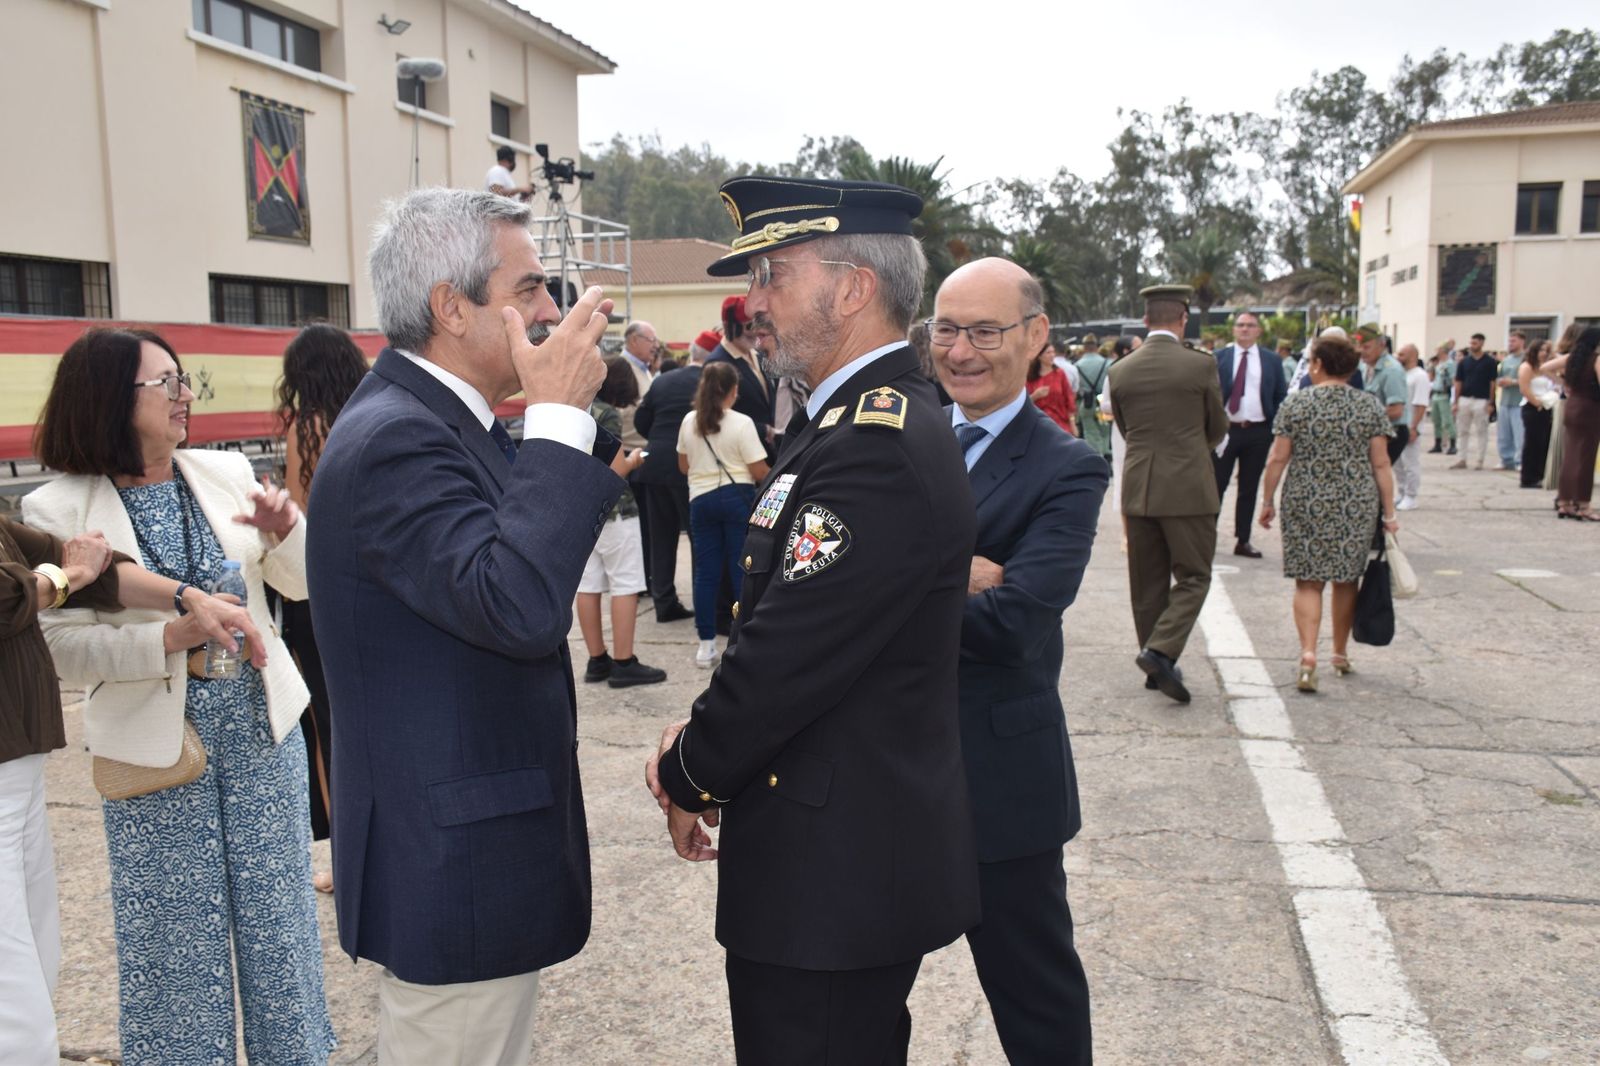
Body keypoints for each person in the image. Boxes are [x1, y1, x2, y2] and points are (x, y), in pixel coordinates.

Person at [646, 175, 981, 1065]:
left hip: (834, 879)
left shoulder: (873, 444)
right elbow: (791, 626)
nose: (755, 304)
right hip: (822, 855)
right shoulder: (839, 424)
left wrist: (687, 768)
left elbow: (789, 658)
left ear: (852, 288)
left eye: (774, 276)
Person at [306, 188, 623, 1065]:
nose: (551, 311)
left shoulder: (441, 422)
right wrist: (559, 416)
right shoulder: (398, 440)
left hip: (468, 849)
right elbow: (516, 604)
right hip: (451, 861)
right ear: (451, 307)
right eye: (527, 290)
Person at [22, 328, 334, 1066]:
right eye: (167, 384)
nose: (186, 394)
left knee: (280, 929)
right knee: (173, 946)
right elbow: (59, 646)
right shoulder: (54, 509)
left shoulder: (224, 472)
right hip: (154, 755)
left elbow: (301, 585)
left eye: (182, 380)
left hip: (262, 735)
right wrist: (167, 640)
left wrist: (289, 531)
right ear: (109, 399)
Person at [2, 518, 267, 1065]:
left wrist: (188, 596)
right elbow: (20, 591)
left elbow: (97, 572)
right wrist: (69, 572)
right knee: (11, 973)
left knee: (34, 940)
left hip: (19, 758)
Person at [930, 258, 1106, 1065]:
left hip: (1000, 781)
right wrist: (948, 570)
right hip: (882, 769)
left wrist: (881, 578)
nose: (961, 351)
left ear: (1036, 339)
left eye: (985, 331)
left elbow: (1015, 622)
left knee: (1036, 1004)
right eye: (945, 329)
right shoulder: (896, 437)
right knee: (850, 999)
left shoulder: (1067, 466)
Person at [276, 321, 369, 889]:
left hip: (317, 588)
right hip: (373, 582)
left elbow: (297, 512)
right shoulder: (372, 415)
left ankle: (346, 854)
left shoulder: (307, 429)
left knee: (326, 723)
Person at [1108, 284, 1229, 704]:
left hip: (1139, 485)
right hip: (1188, 487)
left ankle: (1153, 662)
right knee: (1194, 575)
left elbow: (1124, 428)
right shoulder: (1200, 365)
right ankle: (1161, 651)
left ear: (1145, 320)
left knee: (1147, 582)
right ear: (1183, 319)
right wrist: (1193, 448)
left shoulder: (1120, 370)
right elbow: (1216, 425)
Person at [1258, 333, 1398, 693]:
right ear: (1352, 368)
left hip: (1305, 499)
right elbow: (1381, 465)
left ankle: (1308, 654)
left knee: (1308, 580)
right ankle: (1338, 652)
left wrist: (1268, 499)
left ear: (1317, 365)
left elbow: (1278, 457)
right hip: (1355, 502)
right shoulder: (1368, 406)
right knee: (1346, 578)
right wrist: (1389, 512)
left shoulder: (1297, 405)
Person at [578, 357, 667, 687]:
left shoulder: (579, 409)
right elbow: (615, 468)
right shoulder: (608, 414)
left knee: (588, 585)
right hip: (616, 510)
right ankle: (624, 661)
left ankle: (596, 659)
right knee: (625, 585)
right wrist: (635, 459)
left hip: (582, 510)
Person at [676, 361, 770, 667]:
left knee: (706, 572)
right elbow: (758, 471)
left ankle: (705, 645)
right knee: (739, 569)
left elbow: (683, 466)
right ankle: (740, 638)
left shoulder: (690, 421)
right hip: (736, 497)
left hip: (700, 499)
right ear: (733, 390)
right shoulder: (742, 423)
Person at [634, 333, 711, 624]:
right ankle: (702, 601)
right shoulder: (709, 382)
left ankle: (664, 601)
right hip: (689, 466)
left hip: (654, 465)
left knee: (661, 537)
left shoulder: (662, 380)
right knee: (697, 536)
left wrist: (658, 439)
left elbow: (642, 420)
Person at [1213, 311, 1289, 560]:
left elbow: (1280, 395)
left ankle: (1242, 539)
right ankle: (1207, 537)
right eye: (1240, 325)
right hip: (1226, 430)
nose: (1245, 329)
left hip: (1257, 431)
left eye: (1250, 325)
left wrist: (1274, 427)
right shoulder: (1219, 358)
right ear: (1234, 330)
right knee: (1216, 485)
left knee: (1249, 487)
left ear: (1259, 331)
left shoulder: (1271, 361)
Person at [706, 295, 777, 458]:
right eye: (749, 326)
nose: (755, 331)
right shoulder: (718, 363)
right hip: (737, 456)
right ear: (727, 326)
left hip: (763, 451)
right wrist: (762, 429)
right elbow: (715, 415)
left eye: (759, 324)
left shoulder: (757, 355)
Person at [1555, 327, 1600, 521]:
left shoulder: (1572, 358)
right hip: (1590, 407)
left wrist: (1565, 384)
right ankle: (1583, 504)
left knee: (1571, 455)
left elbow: (1545, 367)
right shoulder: (1596, 359)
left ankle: (1564, 502)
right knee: (1586, 457)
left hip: (1573, 406)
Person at [1355, 324, 1409, 461]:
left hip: (1392, 432)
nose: (1361, 351)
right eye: (1359, 346)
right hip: (1373, 431)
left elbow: (1396, 411)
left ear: (1382, 345)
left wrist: (1361, 417)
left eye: (1366, 347)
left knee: (1377, 473)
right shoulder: (1364, 367)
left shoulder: (1391, 371)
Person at [1518, 339, 1558, 491]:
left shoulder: (1545, 367)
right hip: (1533, 406)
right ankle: (1528, 477)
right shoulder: (1526, 366)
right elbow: (1524, 388)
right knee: (1533, 443)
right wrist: (1537, 403)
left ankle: (1540, 474)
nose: (1544, 354)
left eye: (1546, 351)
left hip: (1547, 405)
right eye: (1541, 350)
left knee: (1544, 442)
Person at [1452, 333, 1497, 469]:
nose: (1472, 346)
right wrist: (1456, 401)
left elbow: (1492, 383)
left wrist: (1491, 402)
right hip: (1465, 398)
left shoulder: (1490, 362)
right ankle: (1462, 458)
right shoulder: (1464, 362)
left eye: (1475, 343)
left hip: (1481, 400)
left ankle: (1479, 460)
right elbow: (1458, 382)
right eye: (1471, 343)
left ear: (1482, 343)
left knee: (1481, 430)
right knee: (1462, 430)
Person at [1395, 344, 1430, 510]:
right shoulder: (1401, 374)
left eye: (1402, 354)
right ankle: (1401, 492)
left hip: (1411, 425)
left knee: (1410, 462)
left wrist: (1414, 427)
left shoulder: (1420, 376)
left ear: (1412, 356)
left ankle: (1411, 495)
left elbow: (1420, 403)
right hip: (1398, 425)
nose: (1398, 357)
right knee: (1398, 463)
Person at [1027, 340, 1077, 435]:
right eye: (1048, 352)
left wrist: (1073, 424)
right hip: (1038, 426)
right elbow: (1023, 402)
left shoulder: (1060, 374)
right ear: (1039, 356)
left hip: (1060, 425)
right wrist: (1035, 396)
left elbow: (1069, 399)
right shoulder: (1030, 377)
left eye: (1053, 352)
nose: (1052, 355)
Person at [1075, 339, 1112, 460]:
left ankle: (1095, 455)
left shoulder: (1077, 365)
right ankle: (1107, 453)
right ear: (1096, 347)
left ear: (1084, 348)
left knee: (1089, 429)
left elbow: (1076, 387)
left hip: (1086, 402)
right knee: (1105, 429)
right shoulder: (1107, 363)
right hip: (1102, 400)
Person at [1496, 330, 1528, 470]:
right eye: (1509, 341)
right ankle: (1506, 459)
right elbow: (1499, 375)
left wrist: (1513, 382)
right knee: (1504, 434)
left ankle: (1520, 460)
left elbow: (1529, 379)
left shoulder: (1526, 359)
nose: (1511, 343)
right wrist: (1500, 381)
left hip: (1519, 401)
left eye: (1514, 341)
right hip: (1505, 401)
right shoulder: (1506, 360)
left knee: (1519, 433)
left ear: (1522, 341)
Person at [1427, 343, 1457, 454]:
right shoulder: (1439, 364)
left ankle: (1453, 443)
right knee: (1436, 420)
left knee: (1447, 420)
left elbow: (1453, 380)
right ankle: (1437, 443)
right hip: (1436, 393)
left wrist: (1454, 397)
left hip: (1444, 394)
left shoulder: (1450, 364)